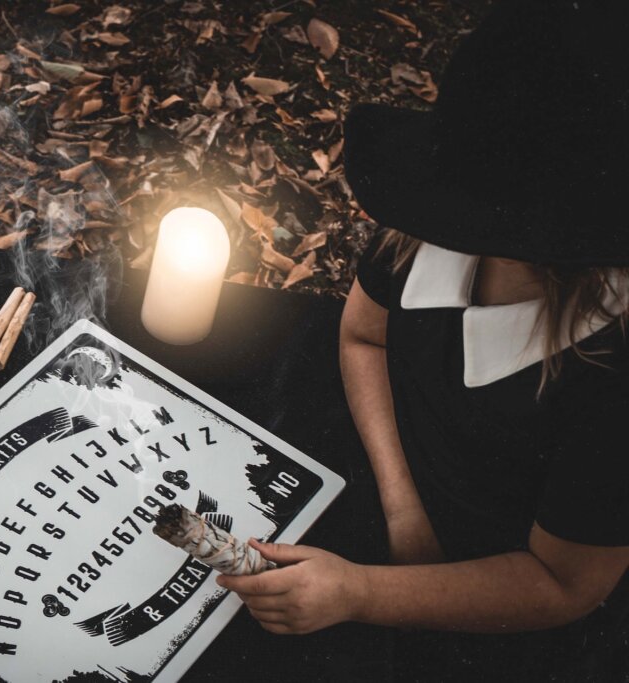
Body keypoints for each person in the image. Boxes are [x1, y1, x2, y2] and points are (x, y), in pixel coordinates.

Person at [218, 0, 629, 679]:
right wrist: (403, 505)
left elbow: (565, 584)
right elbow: (363, 338)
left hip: (506, 590)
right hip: (390, 464)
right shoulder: (429, 221)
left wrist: (360, 590)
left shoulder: (610, 385)